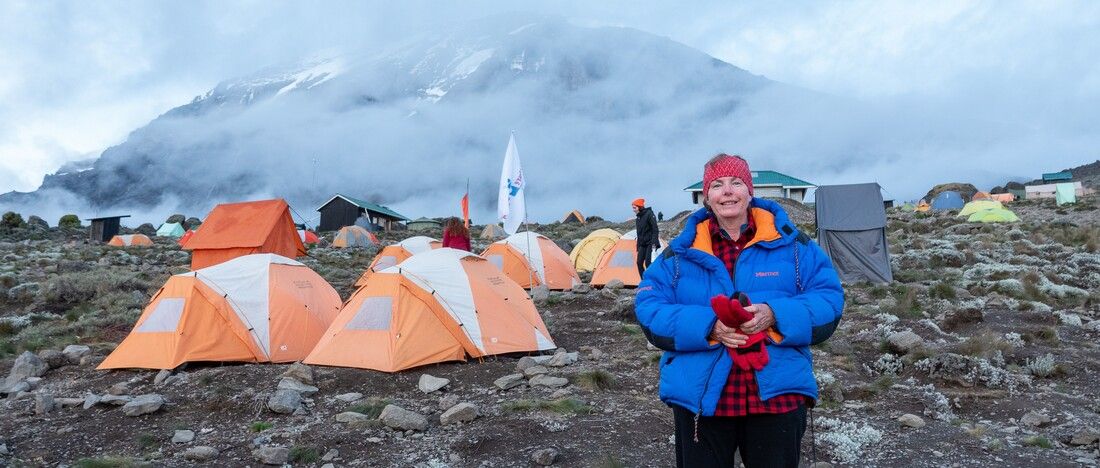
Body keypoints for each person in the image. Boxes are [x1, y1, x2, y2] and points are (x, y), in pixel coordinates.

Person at [635, 154, 844, 468]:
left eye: (736, 183)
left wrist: (775, 314)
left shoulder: (794, 246)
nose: (727, 192)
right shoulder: (679, 253)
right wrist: (710, 327)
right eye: (717, 185)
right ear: (707, 196)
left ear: (750, 191)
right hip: (702, 399)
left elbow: (829, 299)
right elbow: (649, 306)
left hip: (778, 395)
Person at [633, 198, 659, 277]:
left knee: (648, 263)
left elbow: (655, 229)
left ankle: (652, 281)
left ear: (639, 207)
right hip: (642, 244)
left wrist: (654, 243)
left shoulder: (649, 214)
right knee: (639, 262)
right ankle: (644, 281)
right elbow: (639, 234)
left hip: (650, 242)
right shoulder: (638, 218)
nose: (633, 210)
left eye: (634, 208)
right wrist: (638, 246)